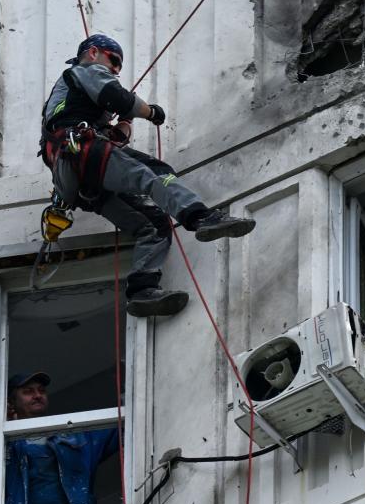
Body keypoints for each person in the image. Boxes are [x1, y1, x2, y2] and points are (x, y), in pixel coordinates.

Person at [40, 33, 255, 317]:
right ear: (93, 53)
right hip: (83, 154)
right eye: (113, 61)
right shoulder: (85, 71)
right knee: (154, 172)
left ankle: (142, 291)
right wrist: (150, 111)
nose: (116, 69)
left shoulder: (74, 99)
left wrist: (125, 121)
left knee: (153, 223)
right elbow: (116, 97)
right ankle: (201, 217)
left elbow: (116, 138)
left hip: (79, 179)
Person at [5, 372, 119, 504]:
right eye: (28, 392)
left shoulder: (75, 439)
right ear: (11, 402)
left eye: (41, 390)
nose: (37, 395)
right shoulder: (5, 443)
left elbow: (120, 429)